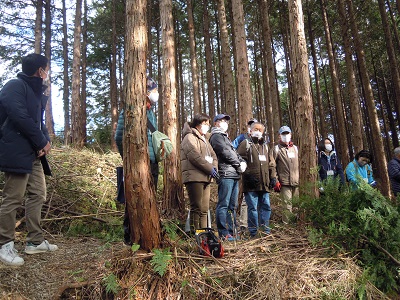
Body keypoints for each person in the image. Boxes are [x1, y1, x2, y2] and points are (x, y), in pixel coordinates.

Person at [0, 53, 57, 266]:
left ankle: (34, 241)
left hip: (32, 154)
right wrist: (41, 141)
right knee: (12, 198)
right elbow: (19, 116)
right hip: (15, 151)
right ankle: (5, 245)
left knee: (38, 194)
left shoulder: (34, 92)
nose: (47, 74)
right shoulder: (14, 86)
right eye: (46, 69)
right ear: (40, 70)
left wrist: (45, 141)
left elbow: (38, 121)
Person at [115, 76, 160, 246]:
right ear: (147, 92)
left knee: (150, 199)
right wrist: (128, 158)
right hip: (138, 164)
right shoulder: (130, 110)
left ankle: (147, 234)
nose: (156, 94)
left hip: (153, 164)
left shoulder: (150, 112)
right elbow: (119, 137)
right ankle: (130, 236)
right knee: (134, 200)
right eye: (154, 91)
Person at [209, 113, 247, 241]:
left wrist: (242, 162)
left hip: (234, 174)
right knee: (223, 204)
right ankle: (223, 233)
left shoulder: (226, 137)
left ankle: (232, 231)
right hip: (225, 174)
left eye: (226, 121)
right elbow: (225, 152)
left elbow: (234, 152)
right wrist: (238, 164)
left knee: (232, 205)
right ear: (216, 123)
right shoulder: (216, 137)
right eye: (221, 120)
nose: (225, 122)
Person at [237, 122, 277, 237]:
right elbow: (239, 159)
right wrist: (247, 175)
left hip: (264, 183)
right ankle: (253, 232)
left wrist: (273, 177)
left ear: (263, 132)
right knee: (252, 209)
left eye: (260, 130)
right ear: (250, 130)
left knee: (266, 207)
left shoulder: (265, 146)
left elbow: (271, 163)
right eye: (255, 129)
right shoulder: (245, 144)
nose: (258, 131)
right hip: (250, 184)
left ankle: (265, 231)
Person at [181, 113, 218, 231]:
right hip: (194, 177)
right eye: (205, 123)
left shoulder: (205, 140)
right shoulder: (189, 137)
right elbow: (194, 156)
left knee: (204, 208)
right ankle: (193, 234)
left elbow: (214, 156)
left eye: (208, 124)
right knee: (196, 207)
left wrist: (215, 168)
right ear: (198, 124)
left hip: (206, 177)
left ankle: (204, 234)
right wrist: (209, 168)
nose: (207, 126)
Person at [232, 118, 257, 235]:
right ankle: (243, 224)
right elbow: (232, 148)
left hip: (258, 174)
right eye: (251, 125)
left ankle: (256, 224)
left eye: (255, 125)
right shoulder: (242, 138)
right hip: (244, 172)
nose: (253, 128)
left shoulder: (260, 140)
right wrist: (240, 163)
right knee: (245, 198)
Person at [273, 126, 299, 223]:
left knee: (297, 205)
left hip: (296, 182)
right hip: (284, 182)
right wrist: (275, 180)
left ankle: (297, 225)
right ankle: (288, 226)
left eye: (287, 133)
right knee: (287, 206)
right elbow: (273, 165)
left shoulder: (295, 148)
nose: (285, 136)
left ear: (291, 135)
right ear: (279, 136)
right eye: (283, 134)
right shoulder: (276, 149)